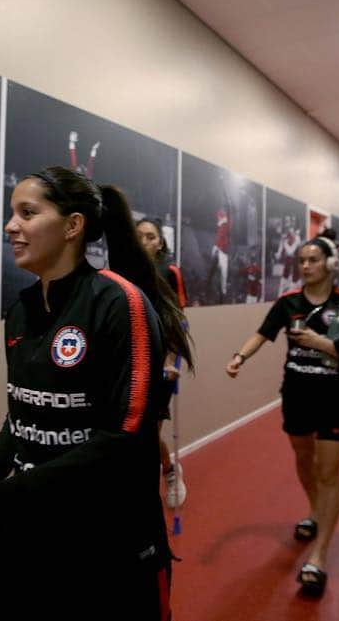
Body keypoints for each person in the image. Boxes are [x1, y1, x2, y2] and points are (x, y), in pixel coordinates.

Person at [0, 166, 194, 620]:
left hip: (108, 542)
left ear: (73, 226)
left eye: (27, 213)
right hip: (30, 530)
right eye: (12, 214)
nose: (10, 226)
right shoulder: (20, 309)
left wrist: (11, 494)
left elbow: (125, 437)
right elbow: (21, 414)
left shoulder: (120, 304)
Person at [225, 228, 339, 597]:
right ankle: (315, 512)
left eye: (314, 260)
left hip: (336, 398)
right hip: (297, 394)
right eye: (302, 260)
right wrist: (239, 357)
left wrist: (323, 343)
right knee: (304, 459)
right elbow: (262, 333)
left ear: (330, 264)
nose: (307, 265)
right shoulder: (288, 302)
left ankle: (319, 556)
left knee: (328, 472)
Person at [136, 216, 188, 508]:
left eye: (150, 237)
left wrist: (170, 360)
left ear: (160, 242)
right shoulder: (125, 270)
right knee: (131, 430)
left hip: (161, 362)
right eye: (139, 236)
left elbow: (179, 322)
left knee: (147, 431)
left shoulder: (169, 272)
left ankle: (168, 471)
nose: (145, 241)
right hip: (131, 360)